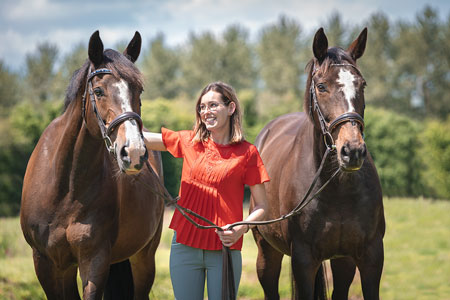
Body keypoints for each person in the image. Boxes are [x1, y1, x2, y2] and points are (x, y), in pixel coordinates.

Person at [143, 81, 269, 300]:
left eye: (212, 105)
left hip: (224, 248)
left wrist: (242, 228)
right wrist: (113, 128)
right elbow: (144, 139)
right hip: (184, 246)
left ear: (231, 108)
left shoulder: (248, 153)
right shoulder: (190, 141)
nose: (205, 112)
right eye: (202, 107)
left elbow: (262, 206)